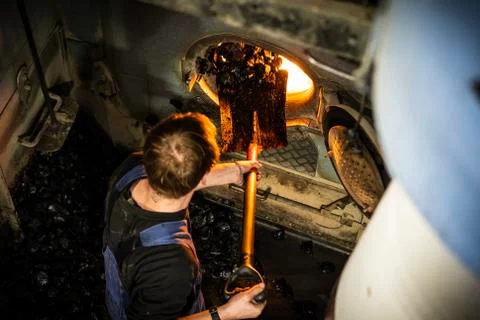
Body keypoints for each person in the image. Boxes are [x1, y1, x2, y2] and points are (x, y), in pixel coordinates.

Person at [103, 112, 266, 320]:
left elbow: (171, 173)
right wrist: (226, 313)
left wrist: (232, 171)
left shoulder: (131, 167)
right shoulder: (172, 266)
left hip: (122, 290)